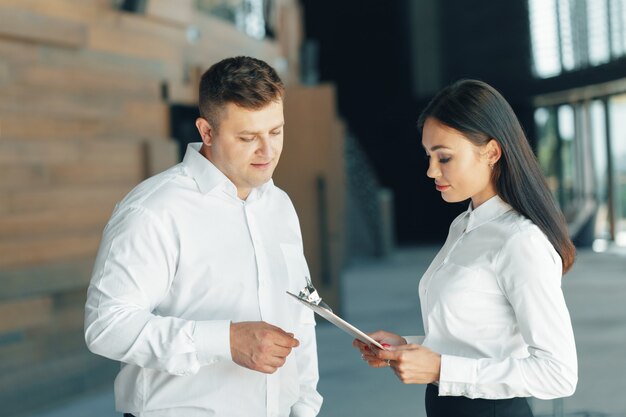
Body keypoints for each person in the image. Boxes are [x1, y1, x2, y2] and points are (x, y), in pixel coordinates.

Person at [85, 56, 322, 417]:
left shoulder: (280, 205)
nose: (268, 151)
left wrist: (304, 406)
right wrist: (225, 340)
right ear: (206, 131)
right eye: (247, 137)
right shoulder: (153, 210)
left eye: (275, 131)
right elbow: (107, 326)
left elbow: (301, 314)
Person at [353, 79, 577, 417]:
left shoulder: (520, 241)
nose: (431, 171)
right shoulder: (463, 224)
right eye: (429, 156)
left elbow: (558, 373)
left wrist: (441, 369)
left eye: (444, 157)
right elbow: (477, 336)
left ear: (490, 152)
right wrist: (411, 347)